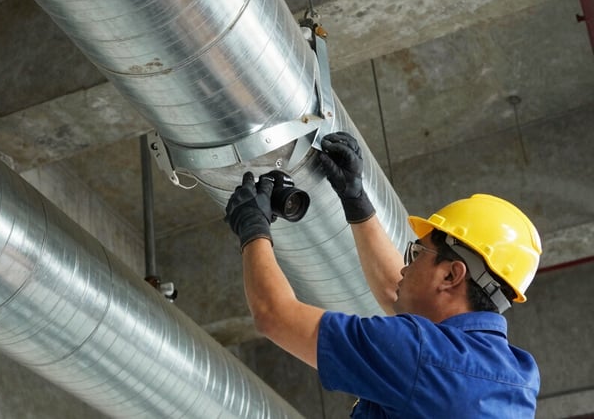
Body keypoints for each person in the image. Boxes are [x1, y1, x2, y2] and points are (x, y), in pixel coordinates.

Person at [224, 131, 542, 418]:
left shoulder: (420, 357)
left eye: (417, 254)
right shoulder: (517, 378)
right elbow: (398, 294)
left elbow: (274, 315)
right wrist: (355, 201)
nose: (406, 266)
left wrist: (252, 227)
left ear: (450, 276)